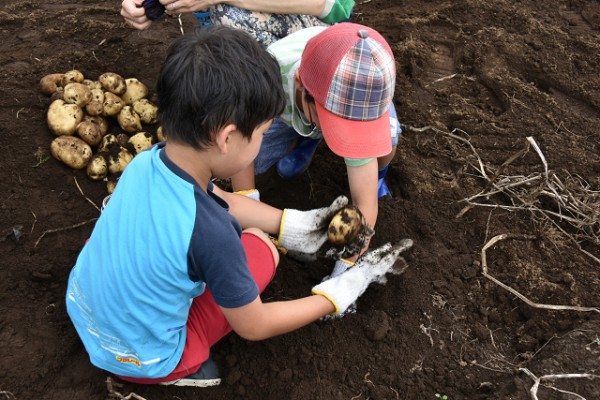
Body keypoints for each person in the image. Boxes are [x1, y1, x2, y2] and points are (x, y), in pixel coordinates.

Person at [65, 26, 411, 388]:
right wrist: (337, 294)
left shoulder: (143, 163)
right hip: (138, 358)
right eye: (262, 134)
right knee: (262, 251)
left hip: (83, 305)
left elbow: (220, 199)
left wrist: (292, 223)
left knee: (246, 239)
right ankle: (175, 369)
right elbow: (254, 325)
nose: (263, 141)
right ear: (227, 137)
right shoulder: (213, 235)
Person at [230, 22, 401, 278]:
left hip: (328, 103)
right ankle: (306, 137)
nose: (349, 136)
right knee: (251, 159)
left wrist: (342, 274)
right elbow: (240, 162)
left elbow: (364, 209)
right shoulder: (267, 81)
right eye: (337, 125)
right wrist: (251, 216)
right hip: (286, 108)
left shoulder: (367, 92)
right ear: (300, 84)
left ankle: (375, 175)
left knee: (389, 139)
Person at [121, 0, 354, 46]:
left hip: (326, 31)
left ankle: (303, 107)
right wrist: (144, 6)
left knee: (229, 17)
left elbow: (326, 5)